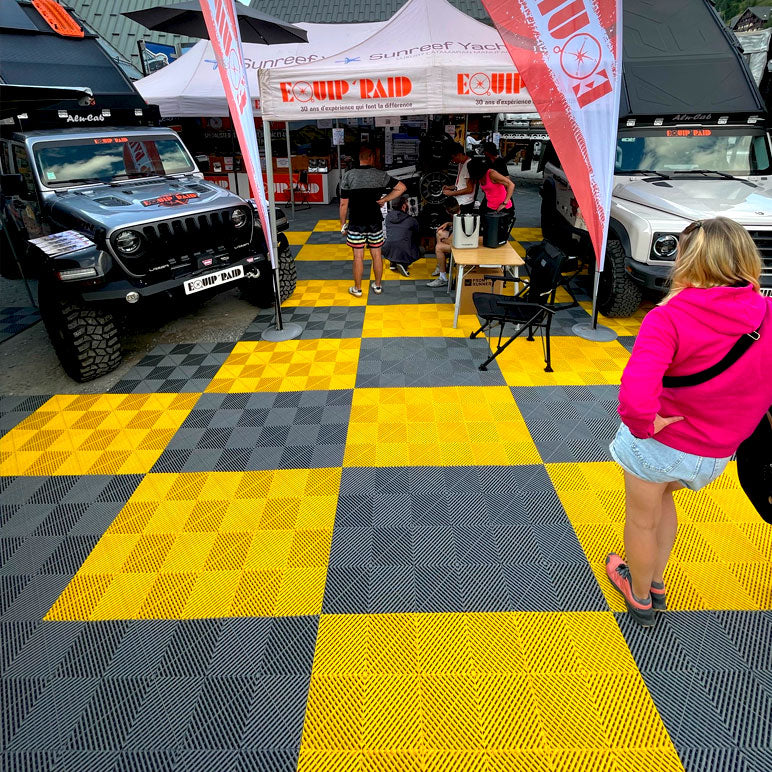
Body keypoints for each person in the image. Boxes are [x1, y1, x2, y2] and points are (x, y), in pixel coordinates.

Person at [605, 217, 772, 627]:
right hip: (718, 451)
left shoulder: (669, 317)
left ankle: (640, 595)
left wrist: (646, 426)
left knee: (642, 518)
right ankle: (656, 581)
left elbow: (634, 398)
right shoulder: (767, 313)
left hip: (663, 442)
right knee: (665, 501)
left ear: (689, 259)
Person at [340, 145, 406, 297]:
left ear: (359, 158)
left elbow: (343, 204)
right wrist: (385, 199)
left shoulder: (349, 175)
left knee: (358, 256)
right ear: (371, 158)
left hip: (356, 222)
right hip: (375, 221)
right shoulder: (380, 175)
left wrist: (343, 225)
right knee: (377, 254)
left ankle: (357, 289)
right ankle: (377, 286)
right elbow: (401, 187)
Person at [466, 157, 515, 238]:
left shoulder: (491, 174)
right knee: (488, 232)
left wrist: (505, 202)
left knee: (499, 234)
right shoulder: (480, 177)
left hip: (502, 208)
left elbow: (511, 185)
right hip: (490, 207)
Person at [382, 195, 420, 277]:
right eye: (407, 202)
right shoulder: (411, 220)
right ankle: (404, 264)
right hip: (403, 249)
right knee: (419, 248)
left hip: (387, 248)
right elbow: (417, 236)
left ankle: (393, 262)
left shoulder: (388, 217)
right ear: (403, 206)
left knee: (395, 239)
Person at [427, 199, 460, 287]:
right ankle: (441, 265)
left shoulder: (458, 220)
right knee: (440, 233)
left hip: (462, 246)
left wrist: (443, 241)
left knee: (439, 247)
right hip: (462, 240)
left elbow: (450, 241)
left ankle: (443, 278)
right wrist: (448, 223)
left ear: (446, 210)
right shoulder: (460, 214)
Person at [441, 143, 476, 214]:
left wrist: (452, 193)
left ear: (459, 154)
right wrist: (450, 187)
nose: (453, 160)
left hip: (466, 202)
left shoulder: (469, 165)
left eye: (453, 157)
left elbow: (469, 189)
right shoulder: (460, 163)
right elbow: (462, 184)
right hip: (460, 201)